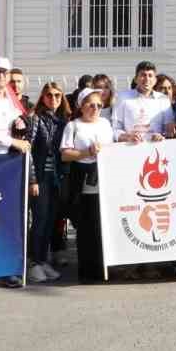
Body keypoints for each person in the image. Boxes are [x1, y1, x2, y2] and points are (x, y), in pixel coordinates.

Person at [60, 88, 116, 283]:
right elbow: (65, 154)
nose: (95, 108)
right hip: (83, 179)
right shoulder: (73, 126)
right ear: (81, 106)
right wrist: (87, 153)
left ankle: (104, 268)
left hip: (106, 179)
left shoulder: (106, 123)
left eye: (99, 105)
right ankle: (86, 271)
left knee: (103, 226)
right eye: (91, 104)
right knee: (85, 228)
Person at [26, 82, 69, 283]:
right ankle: (34, 263)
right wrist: (32, 179)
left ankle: (43, 261)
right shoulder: (35, 119)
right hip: (40, 179)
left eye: (57, 95)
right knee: (40, 220)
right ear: (43, 97)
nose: (54, 99)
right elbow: (29, 151)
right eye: (49, 95)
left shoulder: (62, 121)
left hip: (55, 180)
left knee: (51, 221)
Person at [113, 61, 174, 142]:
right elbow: (115, 129)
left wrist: (161, 136)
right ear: (135, 79)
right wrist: (128, 137)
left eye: (150, 75)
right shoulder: (123, 97)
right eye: (143, 75)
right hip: (130, 148)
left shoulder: (163, 99)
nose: (146, 79)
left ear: (155, 80)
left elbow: (169, 130)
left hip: (156, 149)